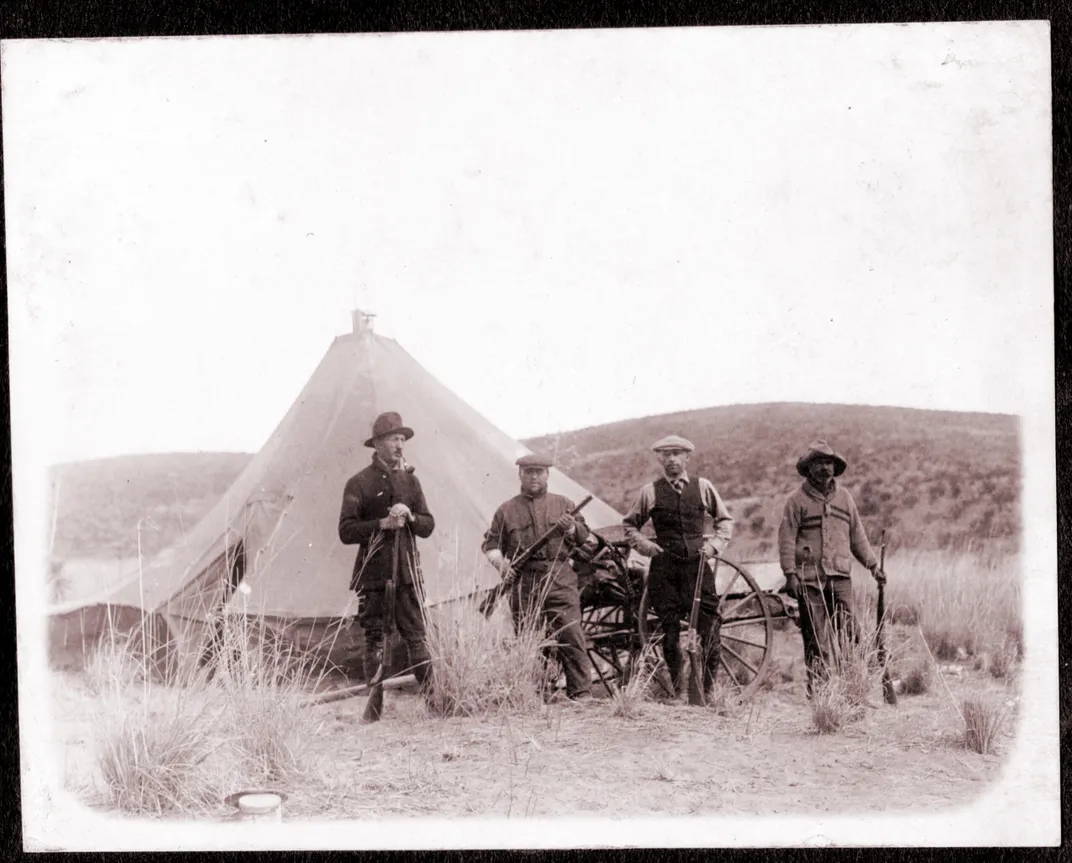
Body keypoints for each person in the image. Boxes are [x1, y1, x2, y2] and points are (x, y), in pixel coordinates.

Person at [622, 435, 734, 701]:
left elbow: (725, 521)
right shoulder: (649, 491)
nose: (672, 459)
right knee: (668, 633)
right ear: (660, 459)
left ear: (687, 458)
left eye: (677, 454)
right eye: (666, 454)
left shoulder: (703, 486)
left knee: (710, 628)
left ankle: (704, 692)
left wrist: (714, 547)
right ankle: (678, 691)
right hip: (665, 570)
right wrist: (647, 547)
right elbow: (629, 526)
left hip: (697, 566)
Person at [482, 453, 596, 703]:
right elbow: (490, 545)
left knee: (572, 635)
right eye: (528, 471)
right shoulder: (506, 510)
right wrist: (501, 564)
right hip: (524, 582)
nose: (534, 476)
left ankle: (581, 694)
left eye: (539, 472)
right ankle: (535, 695)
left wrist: (570, 528)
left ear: (547, 475)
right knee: (529, 640)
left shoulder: (564, 503)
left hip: (560, 578)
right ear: (520, 475)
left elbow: (585, 538)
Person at [777, 439, 886, 697]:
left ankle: (853, 690)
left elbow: (857, 536)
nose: (825, 468)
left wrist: (873, 566)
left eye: (829, 463)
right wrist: (790, 575)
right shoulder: (795, 500)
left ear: (835, 467)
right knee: (815, 638)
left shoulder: (845, 498)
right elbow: (786, 538)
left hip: (840, 579)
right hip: (809, 580)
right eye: (819, 463)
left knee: (850, 633)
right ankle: (820, 694)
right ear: (809, 468)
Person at [338, 411, 436, 690]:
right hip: (374, 575)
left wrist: (412, 517)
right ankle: (374, 705)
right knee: (375, 639)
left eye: (402, 439)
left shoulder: (411, 481)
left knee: (417, 637)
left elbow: (427, 526)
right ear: (378, 443)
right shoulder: (359, 483)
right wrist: (382, 523)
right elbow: (346, 531)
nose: (400, 445)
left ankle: (433, 699)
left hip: (407, 576)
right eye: (394, 439)